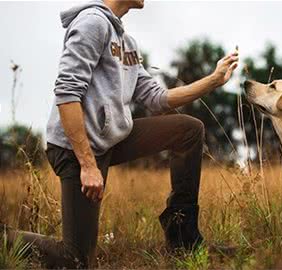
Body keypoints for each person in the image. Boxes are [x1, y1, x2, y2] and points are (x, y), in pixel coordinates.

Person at [2, 0, 238, 268]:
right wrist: (88, 165)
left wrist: (214, 80)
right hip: (75, 148)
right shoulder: (92, 23)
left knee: (188, 130)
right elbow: (67, 93)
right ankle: (4, 237)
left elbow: (157, 98)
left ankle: (183, 239)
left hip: (111, 138)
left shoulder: (127, 43)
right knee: (76, 259)